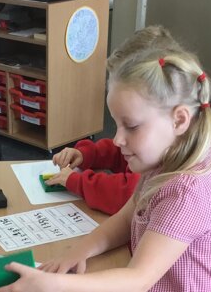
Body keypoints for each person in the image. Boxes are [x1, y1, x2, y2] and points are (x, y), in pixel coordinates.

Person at [0, 38, 211, 292]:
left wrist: (55, 287)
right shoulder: (163, 159)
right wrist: (81, 249)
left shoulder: (188, 191)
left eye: (131, 126)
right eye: (117, 124)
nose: (117, 139)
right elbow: (130, 215)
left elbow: (136, 281)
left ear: (179, 120)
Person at [46, 26, 183, 216]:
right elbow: (120, 154)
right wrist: (87, 154)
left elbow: (126, 194)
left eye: (131, 126)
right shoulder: (153, 138)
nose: (118, 139)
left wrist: (77, 181)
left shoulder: (168, 163)